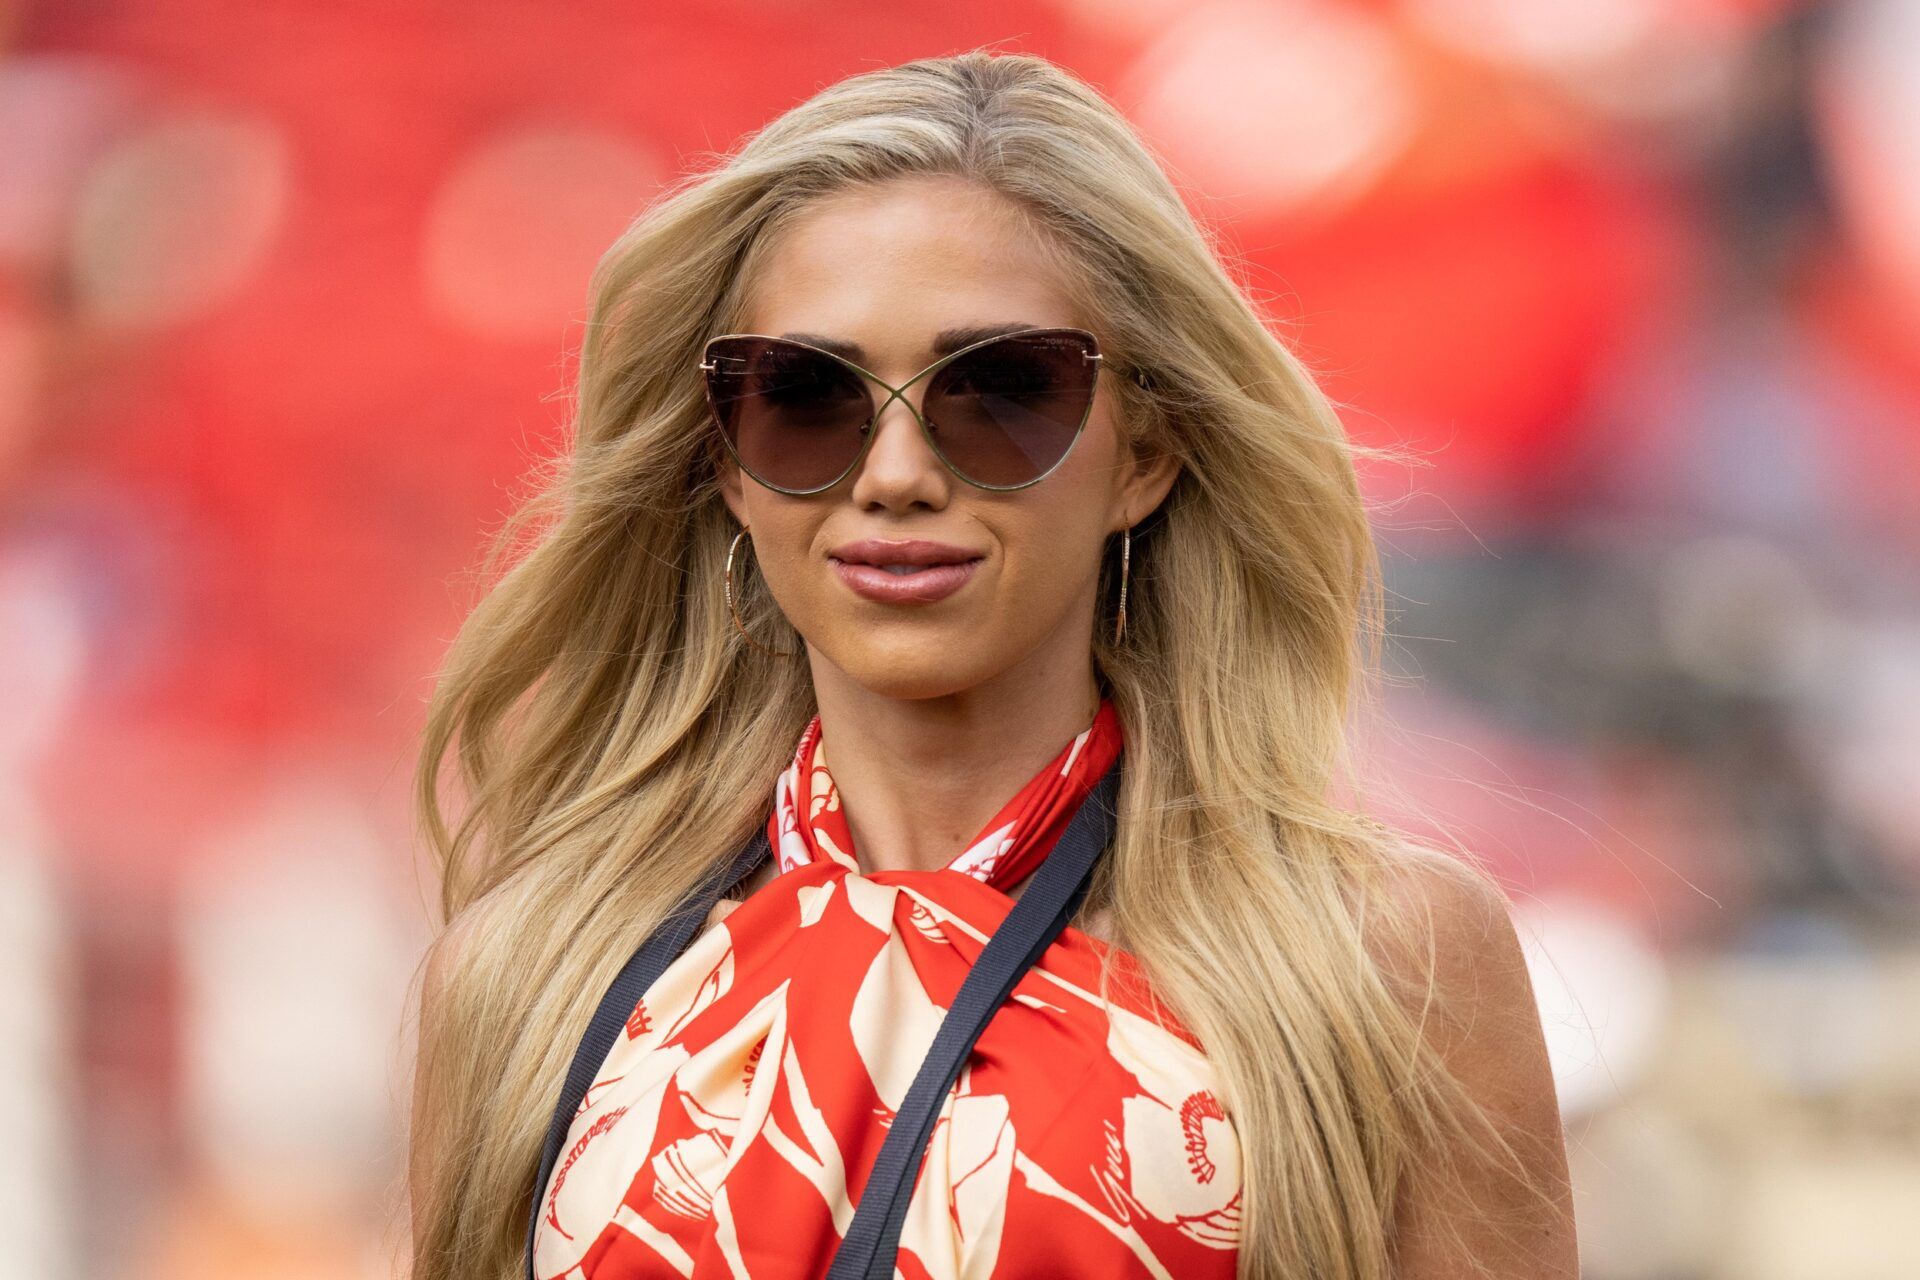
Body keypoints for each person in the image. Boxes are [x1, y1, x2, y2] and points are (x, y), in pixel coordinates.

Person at [405, 49, 1578, 1280]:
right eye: (804, 394)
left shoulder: (1385, 963)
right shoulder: (529, 975)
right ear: (725, 465)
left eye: (1002, 390)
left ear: (1148, 452)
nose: (896, 472)